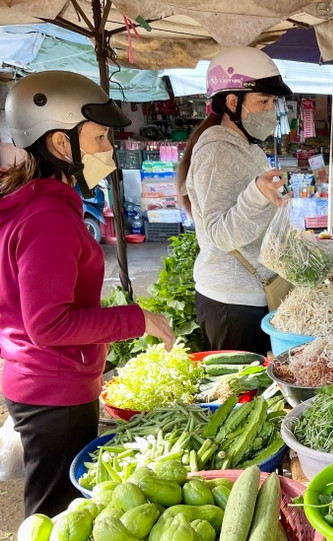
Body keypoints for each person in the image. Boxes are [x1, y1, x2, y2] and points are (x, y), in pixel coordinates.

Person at [0, 71, 175, 516]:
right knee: (55, 513)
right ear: (62, 144)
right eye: (99, 138)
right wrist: (137, 320)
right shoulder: (47, 217)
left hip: (42, 380)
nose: (109, 150)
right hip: (53, 388)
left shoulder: (35, 202)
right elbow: (49, 324)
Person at [177, 47, 293, 354]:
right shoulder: (217, 152)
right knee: (243, 397)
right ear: (232, 102)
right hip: (233, 303)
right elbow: (220, 233)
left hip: (252, 296)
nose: (272, 110)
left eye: (273, 102)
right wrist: (256, 194)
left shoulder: (245, 146)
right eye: (263, 101)